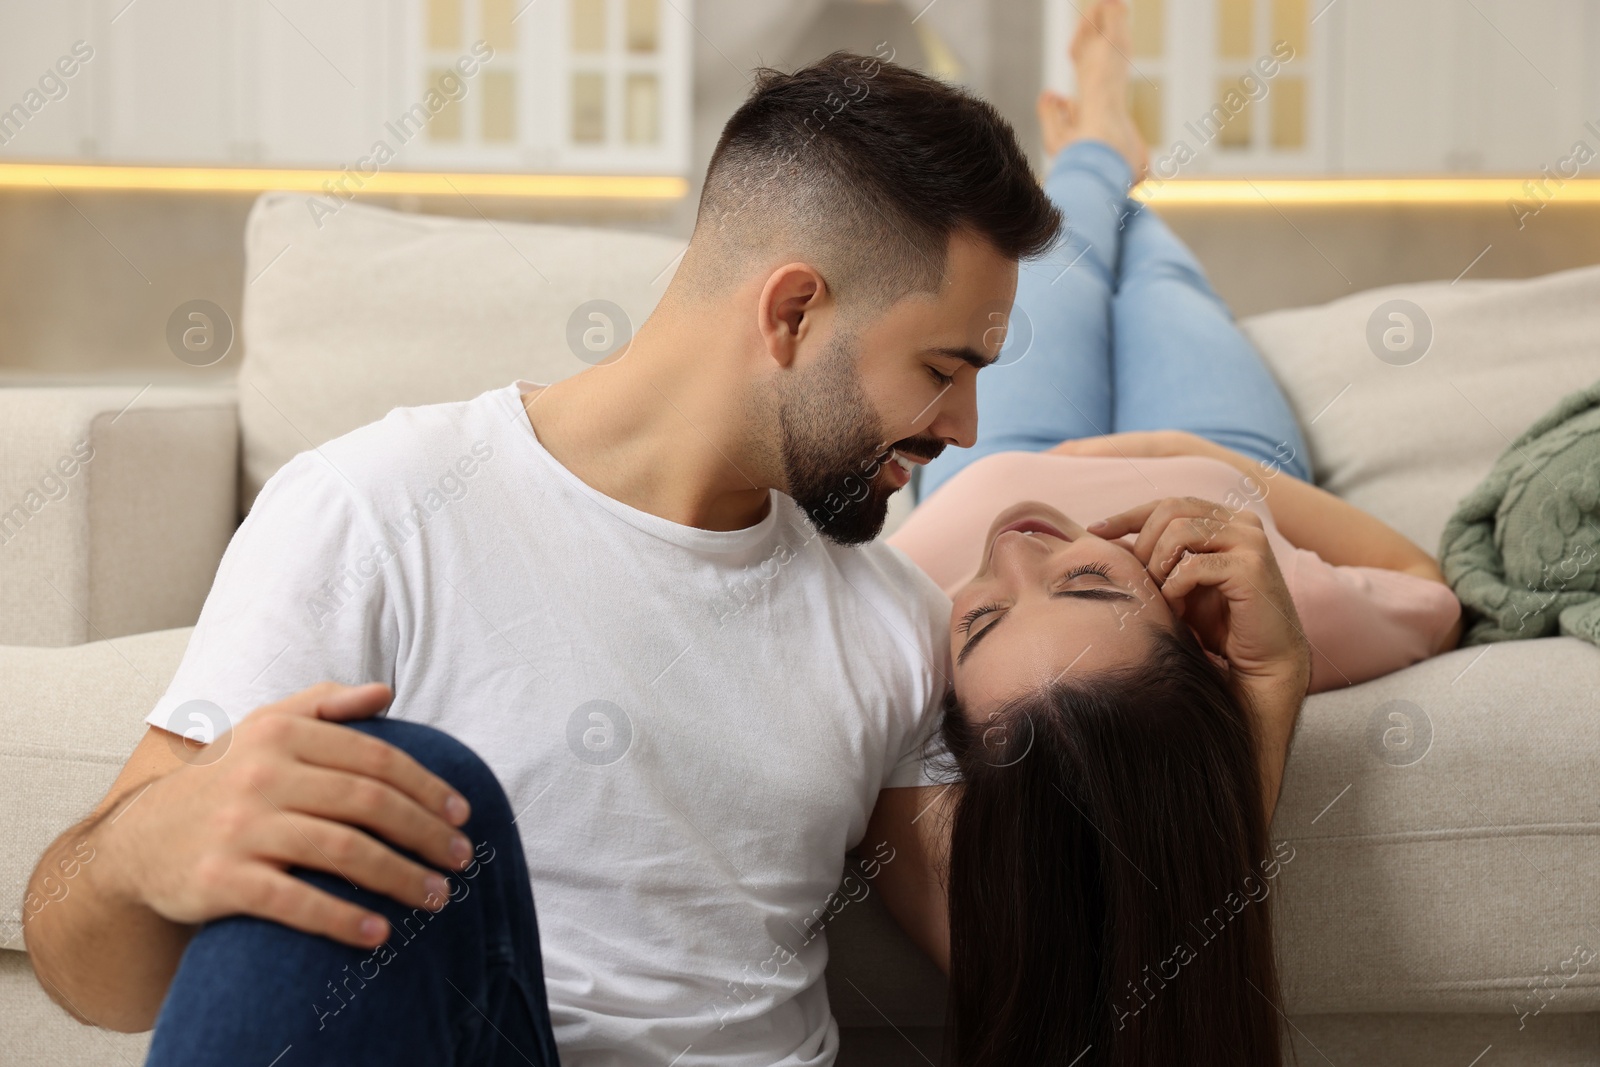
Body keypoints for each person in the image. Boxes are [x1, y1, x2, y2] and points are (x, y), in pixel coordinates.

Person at [21, 54, 1063, 1065]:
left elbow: (1049, 975)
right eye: (942, 368)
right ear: (792, 313)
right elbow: (88, 972)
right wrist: (151, 843)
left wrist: (1235, 687)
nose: (964, 426)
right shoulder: (374, 508)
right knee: (403, 781)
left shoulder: (890, 616)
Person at [879, 4, 1464, 1064]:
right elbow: (1427, 584)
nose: (1018, 547)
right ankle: (1112, 155)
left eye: (984, 623)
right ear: (1188, 631)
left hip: (991, 448)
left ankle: (1102, 151)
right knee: (1161, 275)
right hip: (1219, 452)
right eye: (1093, 589)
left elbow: (1054, 974)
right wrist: (1271, 670)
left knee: (1059, 261)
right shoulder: (1284, 607)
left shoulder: (896, 654)